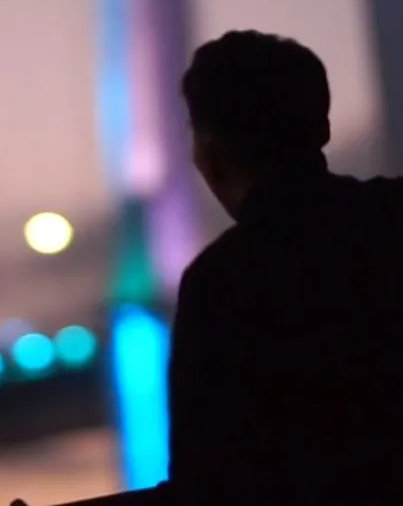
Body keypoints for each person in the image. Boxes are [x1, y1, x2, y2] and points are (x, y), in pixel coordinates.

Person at [13, 31, 403, 506]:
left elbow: (209, 490)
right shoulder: (389, 215)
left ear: (209, 152)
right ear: (322, 127)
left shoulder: (225, 283)